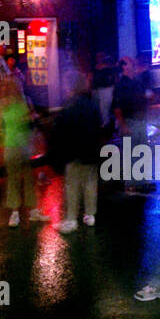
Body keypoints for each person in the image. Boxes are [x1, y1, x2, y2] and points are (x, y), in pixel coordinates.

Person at [52, 72, 103, 233]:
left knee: (72, 186)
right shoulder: (92, 103)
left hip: (74, 152)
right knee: (90, 183)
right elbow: (99, 124)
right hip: (91, 151)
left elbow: (61, 130)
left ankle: (71, 220)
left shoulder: (69, 105)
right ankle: (90, 215)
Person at [0, 79, 48, 227]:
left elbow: (0, 129)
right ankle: (30, 212)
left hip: (15, 145)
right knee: (27, 179)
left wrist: (1, 148)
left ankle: (17, 213)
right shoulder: (19, 103)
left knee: (16, 180)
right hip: (22, 145)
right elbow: (32, 122)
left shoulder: (4, 105)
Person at [112, 56, 151, 192]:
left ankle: (142, 181)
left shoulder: (136, 82)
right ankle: (132, 183)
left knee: (142, 151)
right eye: (130, 63)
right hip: (130, 121)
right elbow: (117, 107)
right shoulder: (121, 85)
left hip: (139, 121)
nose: (134, 64)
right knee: (131, 153)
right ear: (124, 67)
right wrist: (123, 125)